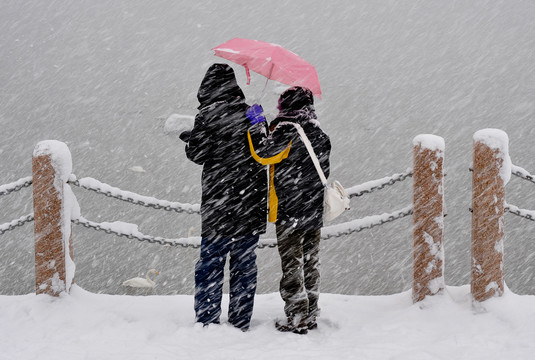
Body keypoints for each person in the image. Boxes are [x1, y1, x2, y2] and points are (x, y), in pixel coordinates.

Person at [181, 63, 268, 331]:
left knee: (211, 262)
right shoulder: (253, 112)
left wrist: (191, 139)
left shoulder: (207, 114)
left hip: (218, 202)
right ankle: (241, 320)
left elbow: (198, 154)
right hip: (250, 200)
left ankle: (207, 319)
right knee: (244, 263)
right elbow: (265, 152)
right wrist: (256, 122)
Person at [247, 86, 331, 334]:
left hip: (289, 210)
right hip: (314, 210)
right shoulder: (319, 132)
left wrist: (257, 125)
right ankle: (311, 311)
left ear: (285, 106)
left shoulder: (285, 131)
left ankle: (297, 317)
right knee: (310, 263)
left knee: (292, 265)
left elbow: (262, 155)